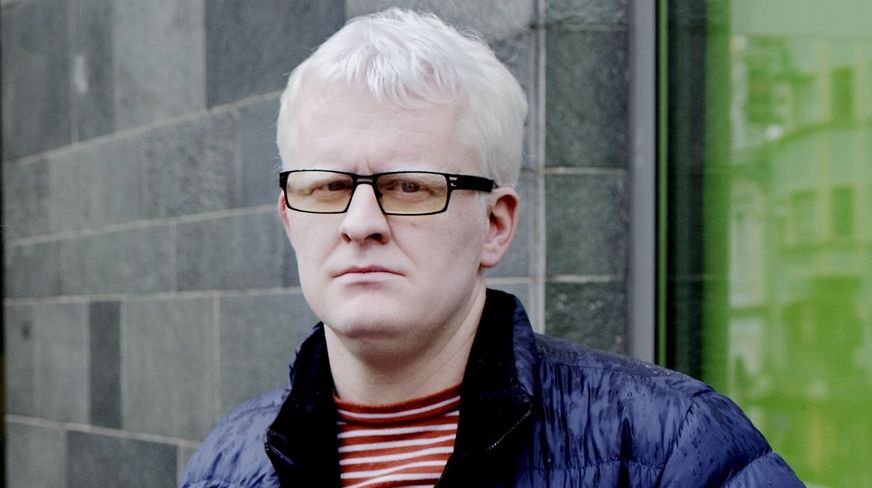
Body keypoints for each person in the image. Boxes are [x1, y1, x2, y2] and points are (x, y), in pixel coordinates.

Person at [182, 8, 803, 487]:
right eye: (328, 187)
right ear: (289, 219)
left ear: (496, 225)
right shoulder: (225, 463)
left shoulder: (678, 450)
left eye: (409, 186)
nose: (361, 222)